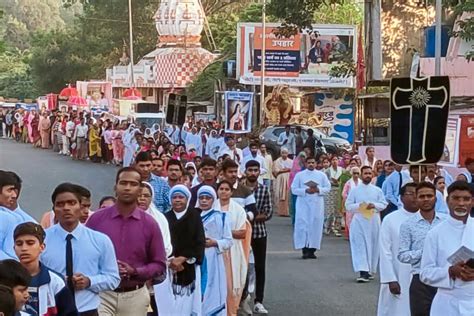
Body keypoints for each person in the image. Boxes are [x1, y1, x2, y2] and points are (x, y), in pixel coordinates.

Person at [86, 168, 166, 316]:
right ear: (115, 187)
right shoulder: (97, 219)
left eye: (133, 184)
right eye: (123, 183)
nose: (128, 188)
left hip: (134, 295)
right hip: (102, 293)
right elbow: (84, 255)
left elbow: (159, 264)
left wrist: (135, 272)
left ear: (139, 189)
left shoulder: (150, 224)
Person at [41, 183, 120, 316]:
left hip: (87, 310)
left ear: (81, 207)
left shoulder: (100, 240)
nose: (66, 208)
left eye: (72, 203)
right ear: (54, 209)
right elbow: (32, 274)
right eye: (60, 204)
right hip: (53, 310)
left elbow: (113, 278)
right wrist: (57, 280)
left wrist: (89, 281)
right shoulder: (42, 241)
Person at [420, 181, 474, 316]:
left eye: (466, 199)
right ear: (447, 201)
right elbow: (425, 273)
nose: (461, 203)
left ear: (472, 202)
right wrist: (450, 271)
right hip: (447, 303)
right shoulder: (435, 234)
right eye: (456, 198)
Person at [154, 185, 205, 315]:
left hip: (188, 265)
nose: (177, 200)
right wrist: (171, 261)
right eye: (174, 197)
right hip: (169, 265)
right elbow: (162, 241)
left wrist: (183, 258)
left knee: (187, 302)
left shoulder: (195, 216)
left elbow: (199, 242)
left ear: (187, 199)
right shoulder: (165, 217)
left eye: (181, 197)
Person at [398, 181, 445, 316]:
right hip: (420, 279)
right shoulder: (408, 225)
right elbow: (402, 255)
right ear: (416, 199)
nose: (426, 199)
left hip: (444, 277)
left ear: (435, 198)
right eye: (422, 196)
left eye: (429, 196)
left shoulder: (445, 222)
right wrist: (424, 253)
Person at [13, 222, 78, 315]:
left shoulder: (56, 281)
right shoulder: (6, 278)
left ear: (42, 247)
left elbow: (70, 313)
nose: (24, 248)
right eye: (19, 244)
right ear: (14, 248)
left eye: (30, 243)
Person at [377, 183, 419, 316]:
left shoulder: (428, 219)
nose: (415, 198)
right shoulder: (390, 219)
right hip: (398, 274)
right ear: (401, 198)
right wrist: (390, 278)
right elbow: (385, 251)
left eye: (418, 194)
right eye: (410, 194)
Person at [214, 180, 251, 316]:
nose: (223, 191)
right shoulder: (211, 207)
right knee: (215, 286)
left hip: (233, 252)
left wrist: (223, 232)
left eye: (226, 189)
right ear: (217, 191)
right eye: (221, 189)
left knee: (230, 287)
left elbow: (242, 233)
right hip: (214, 252)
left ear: (231, 192)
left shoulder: (238, 210)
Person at [345, 166, 388, 282]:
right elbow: (348, 205)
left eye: (370, 173)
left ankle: (369, 270)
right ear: (361, 175)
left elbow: (384, 204)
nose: (368, 175)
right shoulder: (355, 190)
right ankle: (362, 271)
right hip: (359, 221)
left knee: (373, 246)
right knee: (360, 246)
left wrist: (374, 205)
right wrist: (360, 206)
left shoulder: (377, 190)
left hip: (373, 221)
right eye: (365, 173)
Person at [197, 185, 233, 316]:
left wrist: (215, 242)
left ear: (213, 200)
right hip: (197, 259)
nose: (204, 201)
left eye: (208, 198)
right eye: (201, 198)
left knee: (213, 289)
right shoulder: (193, 217)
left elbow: (229, 241)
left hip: (214, 259)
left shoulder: (222, 217)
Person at [244, 160, 273, 314]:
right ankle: (242, 300)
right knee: (242, 267)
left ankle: (258, 300)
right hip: (241, 235)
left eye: (255, 170)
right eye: (250, 170)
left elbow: (268, 212)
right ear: (245, 171)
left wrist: (251, 218)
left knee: (260, 267)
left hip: (259, 233)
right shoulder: (238, 190)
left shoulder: (264, 190)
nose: (253, 173)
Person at [291, 156, 331, 259]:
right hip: (303, 204)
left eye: (313, 162)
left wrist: (318, 189)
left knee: (315, 225)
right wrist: (305, 191)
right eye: (309, 163)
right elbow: (293, 189)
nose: (311, 164)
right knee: (303, 225)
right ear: (305, 163)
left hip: (317, 204)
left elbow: (328, 188)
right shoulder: (300, 175)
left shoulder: (321, 175)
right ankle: (304, 249)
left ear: (316, 163)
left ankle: (312, 250)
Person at [137, 182, 172, 257]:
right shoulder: (127, 215)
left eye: (146, 196)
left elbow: (166, 244)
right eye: (139, 195)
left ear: (151, 198)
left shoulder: (159, 218)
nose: (142, 198)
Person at [324, 156, 344, 237]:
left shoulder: (342, 170)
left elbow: (344, 180)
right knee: (330, 210)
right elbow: (325, 181)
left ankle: (336, 228)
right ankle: (327, 227)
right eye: (333, 160)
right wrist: (332, 182)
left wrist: (339, 182)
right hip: (330, 191)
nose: (334, 161)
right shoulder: (327, 171)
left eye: (336, 159)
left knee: (338, 210)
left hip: (339, 191)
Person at [273, 148, 293, 217]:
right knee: (280, 193)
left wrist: (286, 170)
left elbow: (292, 170)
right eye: (283, 153)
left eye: (285, 153)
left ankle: (287, 211)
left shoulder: (291, 161)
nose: (284, 154)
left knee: (287, 194)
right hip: (280, 179)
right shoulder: (277, 161)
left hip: (288, 179)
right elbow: (276, 171)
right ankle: (280, 211)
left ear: (287, 154)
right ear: (281, 153)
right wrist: (285, 170)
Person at [342, 167, 361, 239]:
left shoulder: (361, 182)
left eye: (357, 173)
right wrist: (350, 198)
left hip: (359, 204)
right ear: (351, 174)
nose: (356, 175)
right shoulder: (348, 183)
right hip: (350, 203)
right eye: (354, 173)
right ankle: (350, 234)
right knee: (349, 219)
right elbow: (344, 193)